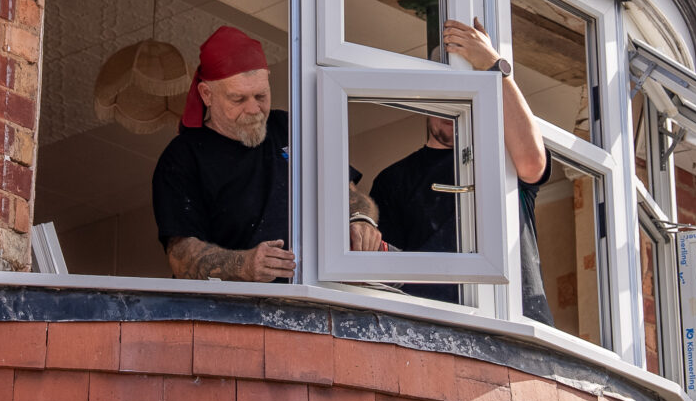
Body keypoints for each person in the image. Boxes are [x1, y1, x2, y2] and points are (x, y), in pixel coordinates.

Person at [152, 26, 381, 282]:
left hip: (314, 291)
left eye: (261, 95)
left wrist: (361, 221)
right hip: (231, 303)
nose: (254, 109)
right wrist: (244, 265)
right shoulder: (183, 156)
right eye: (238, 99)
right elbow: (181, 255)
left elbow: (348, 195)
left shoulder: (292, 128)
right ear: (207, 94)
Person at [369, 18, 555, 325]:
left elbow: (533, 162)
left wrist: (493, 66)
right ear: (424, 100)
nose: (452, 103)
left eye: (463, 91)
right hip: (439, 327)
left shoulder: (502, 155)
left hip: (520, 322)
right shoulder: (394, 180)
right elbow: (388, 272)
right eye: (442, 92)